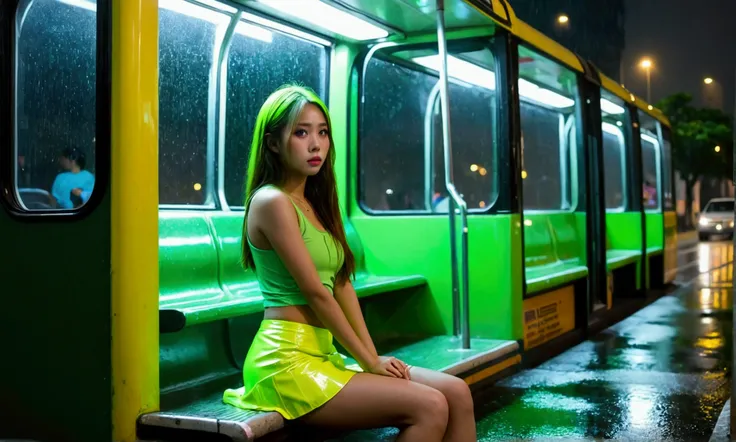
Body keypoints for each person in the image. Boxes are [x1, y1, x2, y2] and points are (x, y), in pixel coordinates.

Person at [223, 85, 475, 442]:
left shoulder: (315, 203)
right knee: (430, 405)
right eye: (301, 132)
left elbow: (340, 284)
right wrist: (370, 363)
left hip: (323, 355)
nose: (316, 144)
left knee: (456, 393)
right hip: (285, 362)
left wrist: (372, 355)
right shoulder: (271, 201)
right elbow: (316, 292)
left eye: (322, 132)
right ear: (273, 143)